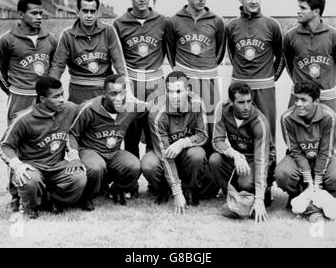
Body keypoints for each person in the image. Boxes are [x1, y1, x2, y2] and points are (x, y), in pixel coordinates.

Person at [0, 0, 57, 211]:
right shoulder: (7, 39)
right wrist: (13, 91)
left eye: (41, 13)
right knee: (16, 144)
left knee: (45, 140)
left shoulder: (50, 39)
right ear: (21, 14)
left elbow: (53, 71)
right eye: (34, 13)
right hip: (19, 96)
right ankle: (15, 194)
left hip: (44, 100)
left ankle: (44, 190)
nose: (39, 17)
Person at [226, 0, 284, 203]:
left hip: (264, 88)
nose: (253, 1)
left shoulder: (272, 25)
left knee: (266, 137)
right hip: (239, 88)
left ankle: (266, 186)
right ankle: (239, 180)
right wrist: (242, 80)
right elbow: (231, 53)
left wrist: (268, 79)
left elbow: (281, 58)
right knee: (239, 133)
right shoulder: (231, 26)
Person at [0, 76, 87, 219]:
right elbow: (4, 146)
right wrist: (17, 165)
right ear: (43, 99)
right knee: (28, 180)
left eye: (62, 94)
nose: (62, 99)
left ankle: (51, 201)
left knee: (79, 178)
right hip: (33, 166)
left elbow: (88, 110)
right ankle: (28, 206)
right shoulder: (23, 118)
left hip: (57, 165)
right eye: (56, 96)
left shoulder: (69, 109)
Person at [166, 0, 226, 158]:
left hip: (209, 78)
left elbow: (220, 51)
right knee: (187, 123)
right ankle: (188, 168)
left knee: (210, 124)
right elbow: (170, 52)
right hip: (186, 79)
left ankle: (209, 172)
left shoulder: (216, 21)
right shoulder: (174, 21)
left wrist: (206, 68)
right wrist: (185, 72)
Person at [68, 74, 147, 210]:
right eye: (113, 94)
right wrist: (74, 157)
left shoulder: (131, 107)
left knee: (134, 166)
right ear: (104, 93)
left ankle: (117, 189)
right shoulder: (89, 108)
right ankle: (87, 196)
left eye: (122, 93)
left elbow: (151, 106)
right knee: (96, 167)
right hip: (90, 150)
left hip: (114, 152)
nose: (118, 98)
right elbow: (72, 134)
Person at [275, 81, 336, 222]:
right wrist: (309, 180)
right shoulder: (287, 118)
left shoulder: (329, 116)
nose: (298, 104)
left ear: (316, 101)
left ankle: (317, 200)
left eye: (304, 100)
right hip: (299, 158)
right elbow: (295, 151)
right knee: (282, 173)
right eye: (296, 99)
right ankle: (298, 196)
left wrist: (318, 180)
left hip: (322, 157)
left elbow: (326, 151)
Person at [113, 0, 167, 159]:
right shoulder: (119, 23)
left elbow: (171, 51)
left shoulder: (162, 21)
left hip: (155, 83)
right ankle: (132, 182)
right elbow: (117, 56)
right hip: (132, 82)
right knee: (131, 135)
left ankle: (156, 180)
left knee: (156, 131)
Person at [143, 71, 211, 214]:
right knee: (149, 164)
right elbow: (164, 154)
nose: (174, 96)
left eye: (179, 91)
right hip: (161, 152)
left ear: (188, 90)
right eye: (170, 91)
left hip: (185, 152)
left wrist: (182, 142)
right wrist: (176, 191)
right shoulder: (157, 112)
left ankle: (190, 189)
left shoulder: (197, 104)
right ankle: (163, 189)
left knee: (197, 154)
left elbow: (203, 135)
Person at [49, 0, 128, 104]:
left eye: (92, 11)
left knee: (104, 120)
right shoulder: (67, 34)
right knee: (79, 119)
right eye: (85, 11)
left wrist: (125, 84)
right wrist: (51, 89)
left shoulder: (108, 31)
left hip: (103, 90)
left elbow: (118, 60)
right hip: (78, 90)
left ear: (97, 13)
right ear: (78, 12)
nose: (89, 15)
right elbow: (58, 65)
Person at [209, 82, 271, 223]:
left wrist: (260, 199)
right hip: (239, 155)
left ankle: (262, 195)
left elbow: (262, 160)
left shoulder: (259, 122)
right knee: (214, 160)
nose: (246, 107)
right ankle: (233, 200)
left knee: (245, 183)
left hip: (257, 158)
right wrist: (234, 154)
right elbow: (217, 141)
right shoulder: (222, 108)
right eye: (241, 102)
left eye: (249, 101)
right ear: (231, 102)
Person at [283, 0, 336, 116]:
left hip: (326, 98)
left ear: (316, 11)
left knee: (327, 134)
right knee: (296, 133)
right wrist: (300, 86)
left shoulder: (335, 36)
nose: (298, 11)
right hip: (299, 99)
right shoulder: (290, 36)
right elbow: (289, 65)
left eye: (303, 8)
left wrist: (327, 85)